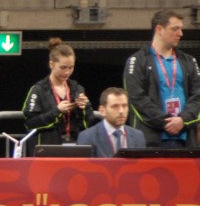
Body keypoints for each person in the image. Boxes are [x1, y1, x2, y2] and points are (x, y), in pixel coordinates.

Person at [124, 9, 200, 148]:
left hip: (185, 139)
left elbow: (198, 95)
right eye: (175, 29)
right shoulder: (137, 61)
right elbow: (136, 98)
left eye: (181, 29)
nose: (180, 33)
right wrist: (165, 121)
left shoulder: (189, 61)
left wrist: (183, 120)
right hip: (150, 140)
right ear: (159, 29)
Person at [22, 38, 91, 147]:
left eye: (71, 67)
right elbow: (30, 123)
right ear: (51, 64)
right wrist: (57, 111)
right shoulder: (38, 90)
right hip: (48, 148)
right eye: (63, 68)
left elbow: (88, 124)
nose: (67, 72)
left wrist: (84, 108)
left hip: (75, 145)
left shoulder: (77, 89)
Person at [77, 87, 147, 155]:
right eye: (115, 106)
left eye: (124, 106)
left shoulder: (138, 136)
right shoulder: (87, 137)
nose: (121, 111)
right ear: (102, 110)